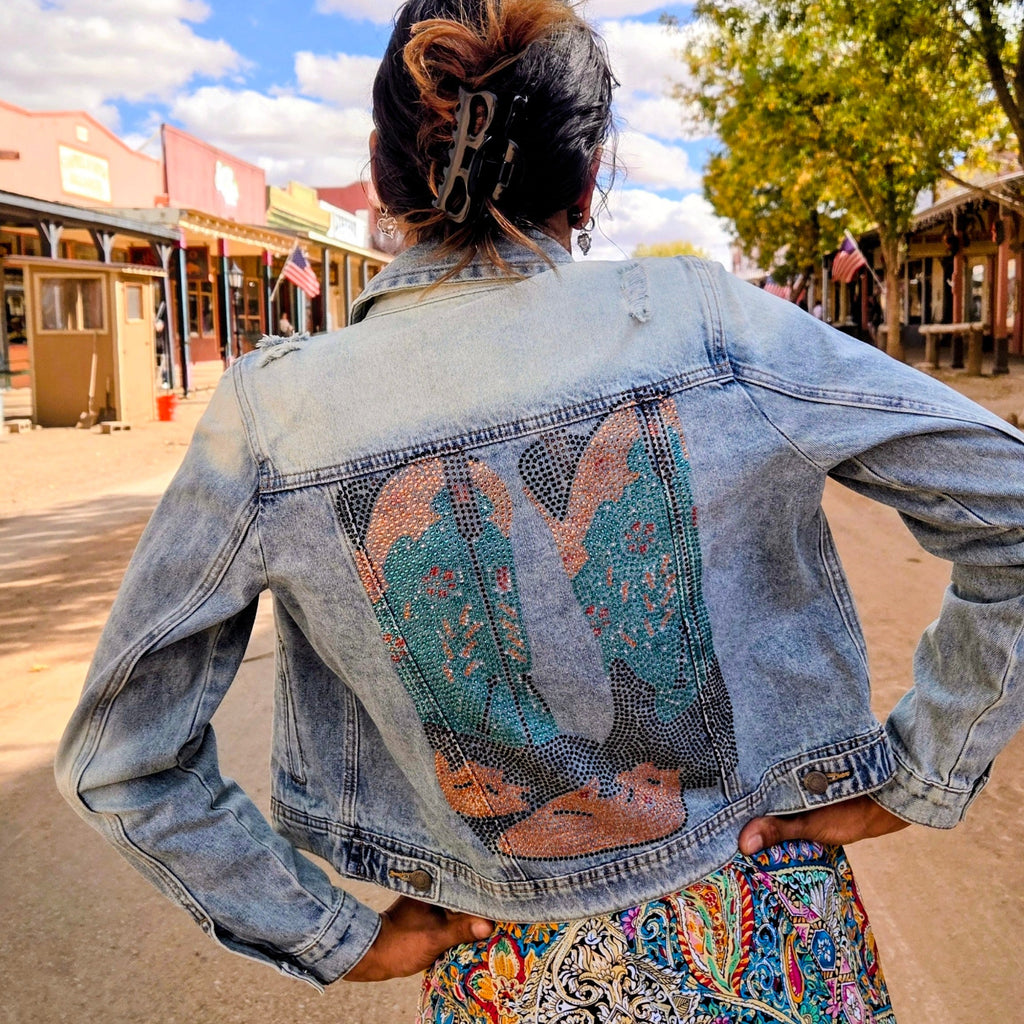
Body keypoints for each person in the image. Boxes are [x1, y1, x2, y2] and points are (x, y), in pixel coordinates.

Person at [56, 2, 1024, 1021]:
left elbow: (123, 757)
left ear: (383, 169)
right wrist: (916, 769)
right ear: (589, 177)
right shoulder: (712, 323)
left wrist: (335, 935)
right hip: (771, 945)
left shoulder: (275, 416)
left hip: (508, 979)